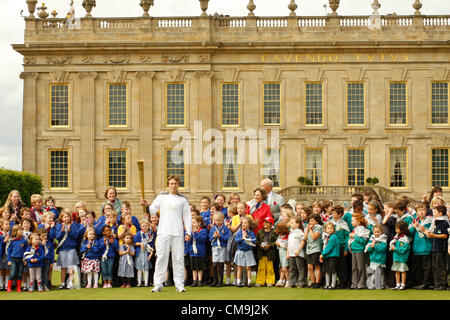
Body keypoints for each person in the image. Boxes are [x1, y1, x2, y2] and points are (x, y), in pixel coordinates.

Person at [142, 175, 192, 293]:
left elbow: (187, 216)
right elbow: (152, 210)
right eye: (171, 183)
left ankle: (179, 284)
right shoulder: (161, 197)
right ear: (168, 184)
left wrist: (188, 232)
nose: (173, 186)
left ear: (178, 185)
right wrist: (146, 205)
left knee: (178, 259)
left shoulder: (182, 199)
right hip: (163, 231)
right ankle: (158, 284)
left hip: (178, 232)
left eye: (175, 183)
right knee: (161, 257)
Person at [408, 202, 433, 290]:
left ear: (426, 211)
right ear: (416, 212)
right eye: (419, 210)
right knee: (418, 267)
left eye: (422, 210)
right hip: (417, 248)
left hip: (426, 247)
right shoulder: (415, 221)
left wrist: (424, 229)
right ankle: (420, 282)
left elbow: (431, 233)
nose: (421, 212)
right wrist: (413, 227)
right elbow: (409, 233)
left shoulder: (430, 220)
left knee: (427, 267)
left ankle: (426, 283)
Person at [55, 209, 80, 290]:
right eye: (64, 217)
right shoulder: (59, 226)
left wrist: (70, 231)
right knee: (63, 267)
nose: (66, 218)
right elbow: (57, 237)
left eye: (68, 217)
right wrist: (62, 231)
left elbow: (76, 236)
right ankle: (62, 283)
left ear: (70, 218)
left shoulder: (73, 225)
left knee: (71, 266)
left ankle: (70, 282)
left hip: (71, 248)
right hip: (63, 248)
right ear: (62, 218)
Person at [426, 205, 449, 290]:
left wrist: (433, 235)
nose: (433, 213)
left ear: (440, 213)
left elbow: (444, 235)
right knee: (435, 266)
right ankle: (437, 283)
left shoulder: (444, 222)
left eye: (435, 212)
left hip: (441, 247)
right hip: (435, 246)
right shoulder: (436, 221)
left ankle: (443, 284)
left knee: (441, 266)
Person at [348, 213, 370, 289]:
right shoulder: (354, 229)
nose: (351, 222)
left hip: (360, 250)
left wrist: (354, 236)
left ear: (358, 221)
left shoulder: (363, 230)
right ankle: (354, 283)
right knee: (354, 268)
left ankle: (361, 283)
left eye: (353, 221)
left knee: (361, 267)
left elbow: (363, 241)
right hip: (354, 250)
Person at [209, 211, 231, 287]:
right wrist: (214, 236)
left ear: (222, 220)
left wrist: (220, 236)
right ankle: (215, 281)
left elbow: (227, 238)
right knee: (214, 264)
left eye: (219, 220)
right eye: (216, 220)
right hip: (215, 247)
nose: (217, 222)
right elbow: (209, 238)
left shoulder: (225, 228)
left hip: (222, 247)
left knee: (221, 264)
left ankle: (220, 281)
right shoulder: (213, 228)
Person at [234, 216, 257, 287]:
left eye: (245, 223)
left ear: (249, 224)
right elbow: (236, 240)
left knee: (248, 267)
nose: (243, 224)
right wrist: (242, 238)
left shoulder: (251, 233)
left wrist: (247, 237)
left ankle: (249, 282)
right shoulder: (239, 233)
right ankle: (238, 282)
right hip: (240, 251)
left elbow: (253, 241)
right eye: (242, 223)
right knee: (239, 267)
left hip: (248, 251)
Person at [330, 205, 350, 288]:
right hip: (333, 247)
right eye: (332, 213)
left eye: (334, 213)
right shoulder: (331, 223)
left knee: (342, 266)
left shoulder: (344, 224)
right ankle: (334, 282)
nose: (333, 215)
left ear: (340, 214)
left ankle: (343, 283)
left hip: (341, 247)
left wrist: (346, 249)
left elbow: (347, 237)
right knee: (334, 265)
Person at [255, 216, 277, 287]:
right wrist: (260, 245)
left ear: (271, 224)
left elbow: (276, 242)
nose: (265, 223)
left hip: (270, 254)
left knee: (270, 268)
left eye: (267, 222)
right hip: (261, 253)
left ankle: (270, 281)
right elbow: (256, 241)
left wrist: (269, 246)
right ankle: (260, 281)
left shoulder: (274, 232)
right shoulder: (260, 231)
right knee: (261, 268)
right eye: (264, 222)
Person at [364, 224, 388, 290]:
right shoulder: (372, 239)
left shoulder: (383, 240)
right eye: (375, 232)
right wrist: (371, 246)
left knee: (380, 273)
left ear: (381, 232)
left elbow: (382, 249)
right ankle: (373, 285)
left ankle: (381, 285)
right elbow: (369, 249)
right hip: (373, 259)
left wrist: (375, 245)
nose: (376, 233)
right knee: (374, 273)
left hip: (380, 259)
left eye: (378, 232)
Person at [389, 220, 411, 290]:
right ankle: (397, 284)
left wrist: (395, 248)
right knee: (397, 270)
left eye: (397, 229)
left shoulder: (405, 239)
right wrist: (392, 248)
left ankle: (403, 284)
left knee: (402, 271)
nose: (396, 230)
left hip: (402, 258)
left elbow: (403, 249)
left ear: (402, 229)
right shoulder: (397, 238)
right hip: (396, 257)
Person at [6, 225, 27, 292]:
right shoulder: (12, 240)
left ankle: (18, 288)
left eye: (22, 230)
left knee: (20, 273)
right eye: (20, 230)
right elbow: (9, 251)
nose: (21, 231)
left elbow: (26, 251)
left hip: (21, 259)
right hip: (13, 259)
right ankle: (9, 287)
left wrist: (25, 259)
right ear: (15, 232)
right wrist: (9, 260)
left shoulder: (24, 240)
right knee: (12, 273)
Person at [134, 219, 155, 287]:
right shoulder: (139, 233)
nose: (144, 227)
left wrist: (151, 253)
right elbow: (135, 242)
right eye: (142, 226)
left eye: (146, 226)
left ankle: (146, 282)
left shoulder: (151, 235)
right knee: (139, 268)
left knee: (146, 268)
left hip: (147, 252)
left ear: (149, 226)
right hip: (140, 252)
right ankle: (139, 282)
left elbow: (152, 244)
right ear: (140, 227)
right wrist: (141, 244)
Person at [189, 216, 208, 287]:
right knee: (193, 268)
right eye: (192, 223)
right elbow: (189, 241)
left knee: (200, 267)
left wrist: (195, 233)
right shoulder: (190, 231)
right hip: (192, 252)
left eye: (194, 222)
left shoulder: (203, 230)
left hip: (200, 252)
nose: (192, 224)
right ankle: (194, 281)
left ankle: (200, 281)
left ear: (199, 223)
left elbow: (202, 239)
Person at [287, 216, 306, 288]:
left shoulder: (300, 232)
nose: (291, 224)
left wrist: (299, 250)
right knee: (292, 269)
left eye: (292, 223)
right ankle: (292, 283)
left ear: (297, 224)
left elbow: (303, 241)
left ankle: (301, 282)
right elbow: (289, 244)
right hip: (291, 254)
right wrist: (288, 253)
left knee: (300, 268)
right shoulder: (290, 233)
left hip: (298, 254)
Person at [320, 222, 340, 290]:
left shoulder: (333, 237)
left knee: (333, 271)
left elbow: (329, 247)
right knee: (327, 271)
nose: (329, 229)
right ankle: (327, 284)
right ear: (325, 230)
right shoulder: (327, 238)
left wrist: (322, 254)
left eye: (331, 228)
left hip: (333, 256)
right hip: (327, 256)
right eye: (328, 228)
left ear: (334, 229)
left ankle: (333, 284)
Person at [305, 214, 323, 288]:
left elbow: (314, 237)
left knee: (317, 266)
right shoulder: (309, 228)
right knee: (309, 267)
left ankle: (317, 282)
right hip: (309, 249)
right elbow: (305, 237)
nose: (310, 222)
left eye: (312, 221)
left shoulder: (319, 227)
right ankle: (312, 282)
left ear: (317, 221)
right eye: (309, 221)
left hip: (316, 249)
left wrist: (311, 230)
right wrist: (307, 229)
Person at [274, 221, 290, 287]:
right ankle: (281, 280)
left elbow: (286, 246)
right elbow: (277, 241)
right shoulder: (280, 236)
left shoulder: (287, 237)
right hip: (281, 254)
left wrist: (279, 244)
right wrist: (277, 243)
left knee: (285, 268)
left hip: (285, 254)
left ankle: (288, 281)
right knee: (282, 268)